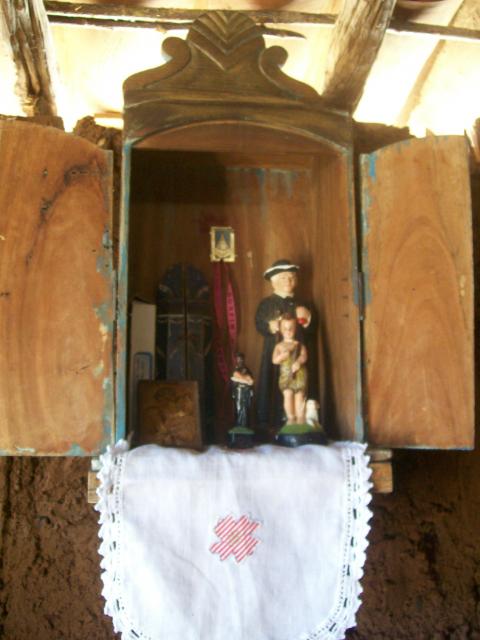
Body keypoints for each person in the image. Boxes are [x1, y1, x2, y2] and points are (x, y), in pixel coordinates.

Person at [255, 259, 312, 429]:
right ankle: (270, 421)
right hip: (276, 351)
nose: (288, 281)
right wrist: (270, 325)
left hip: (297, 353)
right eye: (283, 278)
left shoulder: (302, 303)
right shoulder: (266, 304)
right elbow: (259, 323)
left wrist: (308, 318)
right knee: (273, 383)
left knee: (299, 387)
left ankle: (297, 419)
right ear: (273, 282)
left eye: (291, 277)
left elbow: (312, 328)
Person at [272, 315, 308, 425]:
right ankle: (291, 418)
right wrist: (282, 356)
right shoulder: (279, 346)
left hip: (299, 375)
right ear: (280, 329)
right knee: (288, 395)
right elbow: (274, 360)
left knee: (299, 396)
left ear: (295, 329)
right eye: (285, 328)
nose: (288, 331)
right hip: (286, 376)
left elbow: (304, 356)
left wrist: (298, 362)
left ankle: (300, 419)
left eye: (291, 328)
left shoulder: (299, 345)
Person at [231, 353, 254, 428]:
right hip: (238, 391)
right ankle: (239, 424)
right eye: (238, 359)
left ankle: (244, 425)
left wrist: (244, 380)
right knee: (238, 408)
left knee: (244, 408)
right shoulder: (236, 369)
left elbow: (250, 380)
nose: (240, 361)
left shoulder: (246, 370)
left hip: (245, 391)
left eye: (241, 359)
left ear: (243, 360)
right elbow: (234, 380)